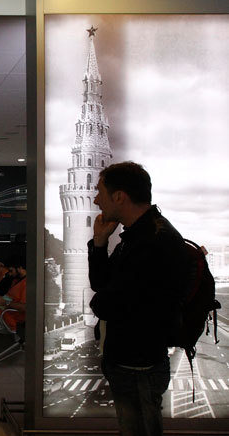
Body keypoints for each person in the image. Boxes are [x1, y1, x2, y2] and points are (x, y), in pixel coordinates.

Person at [88, 161, 186, 436]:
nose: (96, 199)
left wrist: (100, 302)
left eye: (100, 192)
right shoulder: (140, 235)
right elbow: (102, 285)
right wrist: (99, 243)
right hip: (130, 359)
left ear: (119, 196)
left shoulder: (153, 242)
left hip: (139, 363)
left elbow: (105, 303)